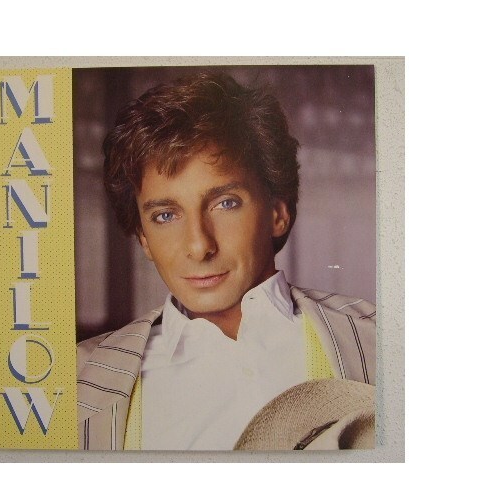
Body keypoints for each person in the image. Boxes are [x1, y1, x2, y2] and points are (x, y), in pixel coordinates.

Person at [76, 72, 376, 451]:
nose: (199, 246)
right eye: (165, 215)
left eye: (225, 203)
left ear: (277, 214)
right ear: (144, 239)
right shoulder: (77, 379)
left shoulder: (383, 339)